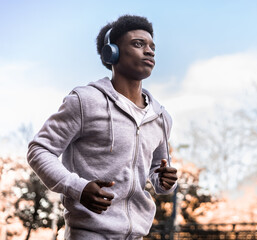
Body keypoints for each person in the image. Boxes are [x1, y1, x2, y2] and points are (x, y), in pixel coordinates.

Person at [27, 15, 178, 240]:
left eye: (152, 46)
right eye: (138, 44)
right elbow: (39, 150)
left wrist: (165, 181)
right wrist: (77, 187)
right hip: (89, 234)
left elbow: (158, 174)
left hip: (137, 235)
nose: (149, 51)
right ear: (112, 52)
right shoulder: (85, 101)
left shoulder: (161, 117)